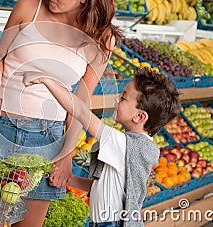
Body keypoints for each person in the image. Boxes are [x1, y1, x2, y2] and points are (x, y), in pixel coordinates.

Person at [0, 0, 122, 226]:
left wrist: (66, 153)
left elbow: (82, 101)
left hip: (46, 138)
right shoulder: (29, 7)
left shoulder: (101, 38)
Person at [20, 67, 181, 227]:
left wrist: (46, 80)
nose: (117, 99)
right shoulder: (135, 146)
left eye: (123, 97)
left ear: (139, 116)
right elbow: (104, 188)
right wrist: (70, 179)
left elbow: (81, 112)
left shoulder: (124, 145)